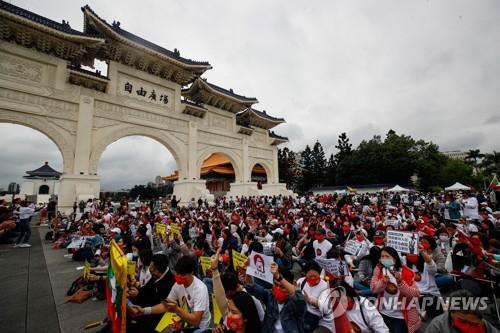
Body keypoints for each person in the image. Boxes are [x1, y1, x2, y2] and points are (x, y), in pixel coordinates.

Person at [133, 255, 212, 331]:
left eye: (182, 274)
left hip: (200, 328)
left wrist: (177, 309)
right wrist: (144, 311)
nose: (178, 276)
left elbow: (196, 321)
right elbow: (165, 305)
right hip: (185, 322)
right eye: (177, 273)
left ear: (191, 273)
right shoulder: (178, 285)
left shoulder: (200, 289)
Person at [371, 246, 421, 333]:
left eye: (387, 256)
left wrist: (401, 282)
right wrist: (382, 282)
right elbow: (373, 289)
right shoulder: (379, 269)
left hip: (400, 316)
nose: (384, 259)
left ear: (394, 257)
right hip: (383, 312)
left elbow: (415, 295)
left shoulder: (407, 272)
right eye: (382, 257)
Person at [245, 262, 306, 333]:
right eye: (276, 285)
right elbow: (251, 287)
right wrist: (248, 270)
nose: (278, 289)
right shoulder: (270, 295)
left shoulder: (295, 303)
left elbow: (298, 298)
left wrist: (279, 277)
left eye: (282, 287)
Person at [425, 289, 500, 333]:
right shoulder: (437, 326)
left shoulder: (485, 325)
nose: (467, 327)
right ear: (451, 312)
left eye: (473, 324)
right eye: (462, 321)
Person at [296, 261, 331, 333]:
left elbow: (325, 307)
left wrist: (310, 300)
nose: (312, 278)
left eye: (315, 276)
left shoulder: (325, 286)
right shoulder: (301, 281)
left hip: (313, 315)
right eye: (310, 276)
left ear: (319, 273)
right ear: (305, 274)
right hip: (300, 310)